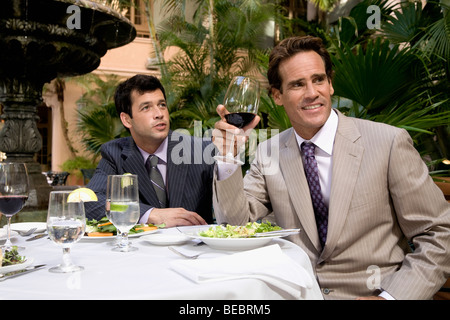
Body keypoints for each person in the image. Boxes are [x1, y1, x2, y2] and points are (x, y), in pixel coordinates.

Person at [212, 36, 450, 299]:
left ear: (330, 84)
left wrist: (390, 298)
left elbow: (439, 233)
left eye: (318, 79)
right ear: (277, 96)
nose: (312, 92)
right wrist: (227, 159)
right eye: (297, 84)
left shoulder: (388, 143)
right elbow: (235, 226)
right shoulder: (269, 152)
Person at [85, 74, 215, 227]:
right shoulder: (115, 154)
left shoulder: (201, 150)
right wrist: (149, 214)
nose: (159, 114)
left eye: (162, 105)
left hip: (195, 247)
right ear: (126, 119)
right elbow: (91, 202)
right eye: (146, 107)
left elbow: (231, 208)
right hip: (140, 249)